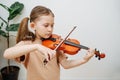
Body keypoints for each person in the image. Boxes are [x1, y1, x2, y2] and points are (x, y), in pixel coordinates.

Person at [3, 5, 95, 80]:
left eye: (52, 25)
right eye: (46, 25)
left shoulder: (56, 43)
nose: (50, 29)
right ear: (33, 26)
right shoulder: (28, 43)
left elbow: (66, 64)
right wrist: (36, 47)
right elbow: (7, 54)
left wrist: (84, 60)